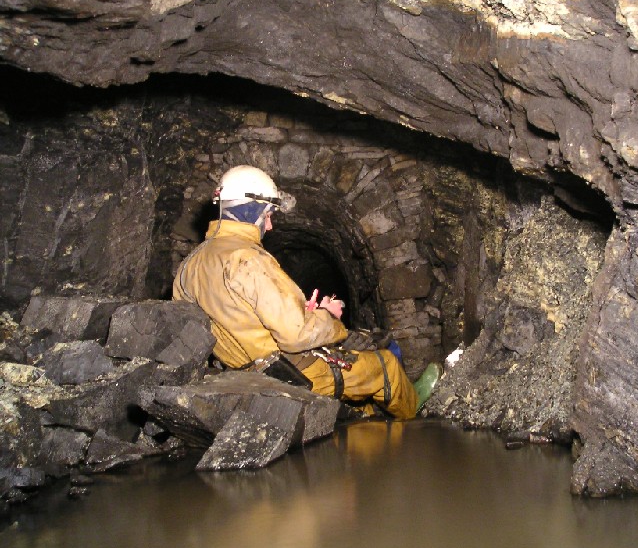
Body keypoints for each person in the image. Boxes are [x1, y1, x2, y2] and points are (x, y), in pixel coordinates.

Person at [173, 165, 441, 420]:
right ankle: (414, 416)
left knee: (355, 388)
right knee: (385, 368)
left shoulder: (190, 264)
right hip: (288, 374)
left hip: (241, 377)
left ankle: (367, 424)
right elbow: (296, 334)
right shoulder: (248, 259)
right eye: (267, 215)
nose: (270, 226)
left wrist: (305, 313)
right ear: (251, 210)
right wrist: (329, 316)